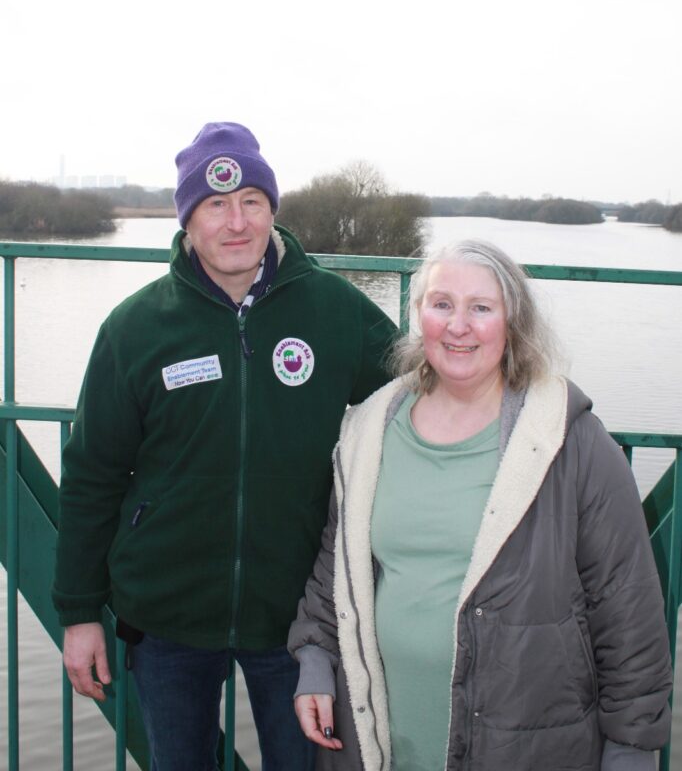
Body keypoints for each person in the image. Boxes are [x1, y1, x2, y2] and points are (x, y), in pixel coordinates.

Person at [52, 122, 396, 771]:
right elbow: (92, 475)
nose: (235, 223)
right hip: (166, 620)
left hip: (297, 623)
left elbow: (428, 393)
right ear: (188, 221)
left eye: (251, 203)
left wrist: (526, 399)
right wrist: (77, 613)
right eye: (215, 206)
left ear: (272, 211)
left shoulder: (333, 311)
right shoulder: (136, 329)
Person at [288, 239, 672, 771]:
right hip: (385, 740)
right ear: (418, 316)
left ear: (512, 324)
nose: (458, 325)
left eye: (481, 308)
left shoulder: (571, 443)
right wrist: (314, 655)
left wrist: (632, 748)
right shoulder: (370, 431)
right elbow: (338, 568)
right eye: (441, 304)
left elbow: (628, 611)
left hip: (524, 746)